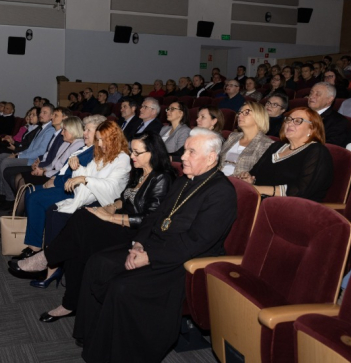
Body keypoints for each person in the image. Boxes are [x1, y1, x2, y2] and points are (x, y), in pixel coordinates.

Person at [71, 128, 237, 362]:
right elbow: (155, 217)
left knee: (123, 287)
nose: (183, 157)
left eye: (191, 152)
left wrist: (149, 256)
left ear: (211, 158)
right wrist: (139, 244)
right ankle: (92, 335)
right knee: (98, 263)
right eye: (185, 150)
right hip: (152, 245)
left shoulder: (222, 193)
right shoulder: (183, 182)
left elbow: (196, 242)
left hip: (182, 262)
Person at [9, 132, 175, 323]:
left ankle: (47, 258)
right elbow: (125, 197)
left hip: (136, 233)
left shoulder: (162, 178)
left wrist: (111, 217)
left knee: (81, 224)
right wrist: (110, 207)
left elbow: (149, 220)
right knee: (78, 235)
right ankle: (69, 302)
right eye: (132, 151)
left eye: (137, 152)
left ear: (153, 153)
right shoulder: (139, 171)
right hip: (121, 221)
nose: (132, 156)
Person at [14, 115, 106, 261]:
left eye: (88, 130)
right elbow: (64, 169)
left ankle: (35, 246)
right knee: (31, 192)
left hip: (76, 192)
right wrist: (54, 178)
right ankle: (35, 239)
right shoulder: (85, 147)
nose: (84, 133)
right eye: (84, 129)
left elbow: (78, 177)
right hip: (66, 183)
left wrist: (55, 181)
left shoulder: (96, 151)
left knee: (35, 198)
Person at [237, 107, 334, 202]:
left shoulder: (317, 151)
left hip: (290, 208)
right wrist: (250, 179)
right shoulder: (276, 146)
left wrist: (258, 189)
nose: (290, 123)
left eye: (297, 121)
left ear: (312, 129)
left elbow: (301, 190)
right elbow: (254, 173)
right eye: (288, 120)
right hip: (258, 200)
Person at [219, 101, 273, 176]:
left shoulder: (266, 144)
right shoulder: (233, 137)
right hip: (218, 178)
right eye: (240, 112)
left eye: (246, 112)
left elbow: (262, 174)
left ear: (259, 116)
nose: (240, 115)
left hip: (239, 184)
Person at [308, 82, 349, 147]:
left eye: (318, 94)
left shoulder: (338, 122)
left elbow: (329, 147)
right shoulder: (300, 113)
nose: (311, 96)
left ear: (329, 99)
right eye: (311, 93)